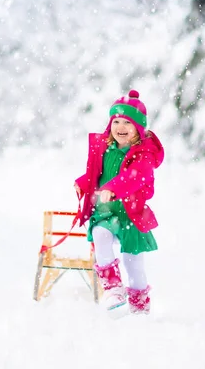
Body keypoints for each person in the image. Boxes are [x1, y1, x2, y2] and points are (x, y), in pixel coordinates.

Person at [74, 89, 164, 314]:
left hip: (131, 215)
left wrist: (112, 189)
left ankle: (140, 307)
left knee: (133, 262)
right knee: (100, 235)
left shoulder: (143, 156)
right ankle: (113, 287)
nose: (120, 127)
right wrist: (83, 183)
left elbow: (133, 178)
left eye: (127, 122)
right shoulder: (106, 149)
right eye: (116, 121)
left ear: (138, 128)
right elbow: (98, 174)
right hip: (107, 213)